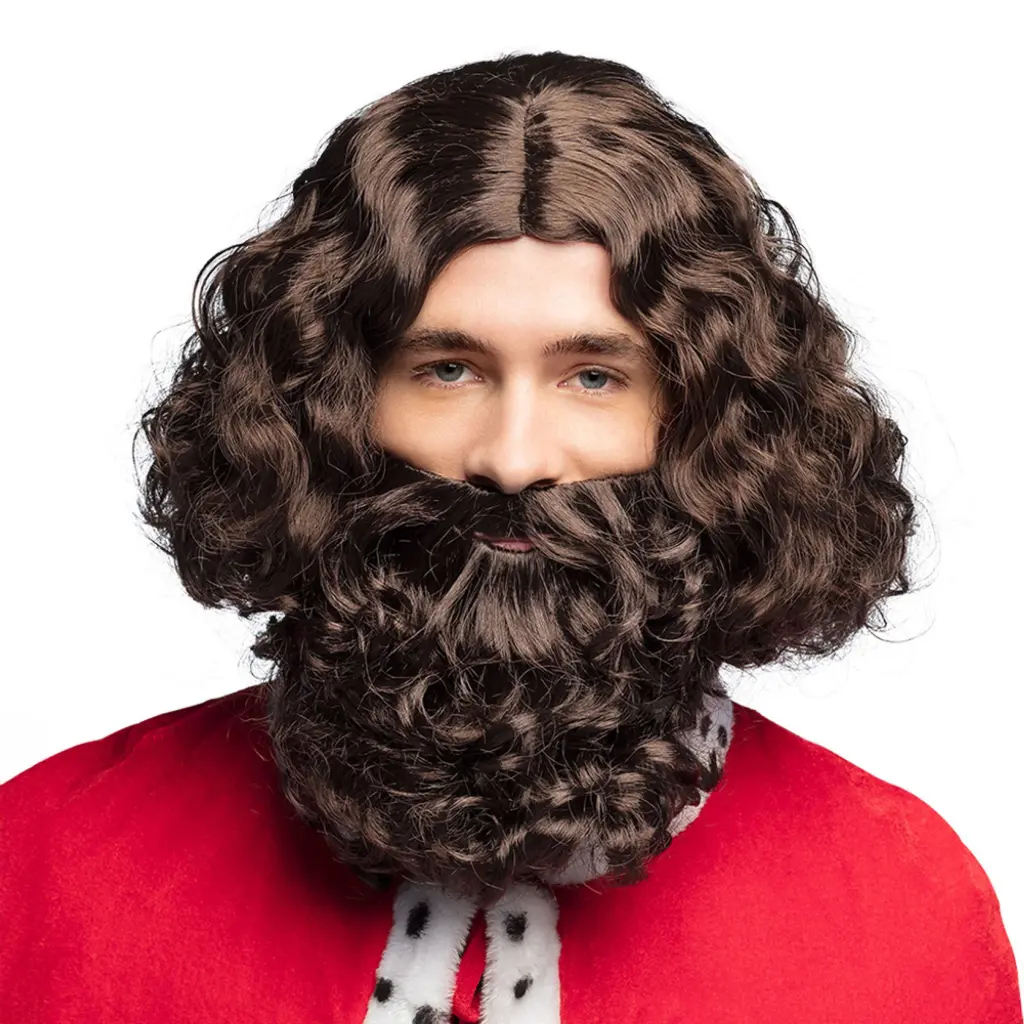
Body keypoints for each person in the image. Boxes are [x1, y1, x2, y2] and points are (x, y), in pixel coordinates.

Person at [1, 50, 1019, 1024]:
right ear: (329, 414)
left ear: (706, 429)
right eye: (447, 370)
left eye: (594, 377)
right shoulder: (45, 863)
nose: (515, 458)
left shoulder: (900, 900)